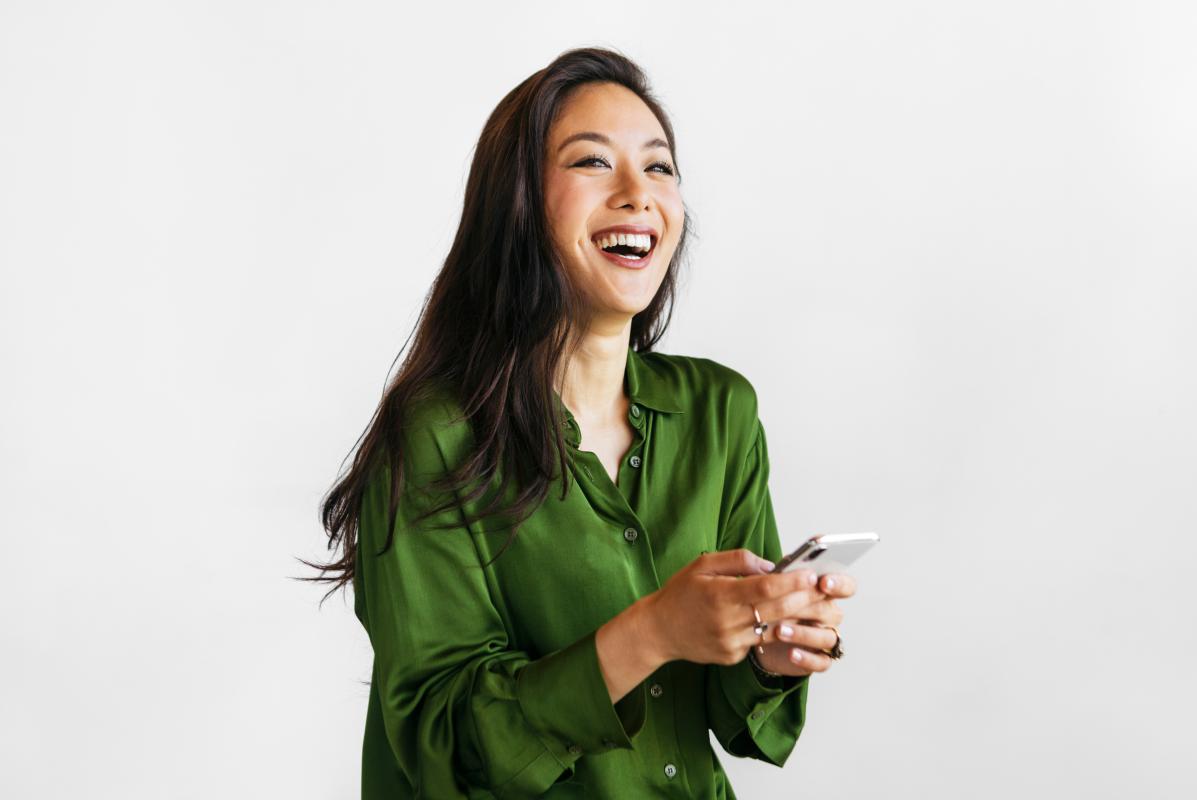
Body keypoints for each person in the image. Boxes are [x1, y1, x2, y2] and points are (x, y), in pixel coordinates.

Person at [306, 46, 859, 799]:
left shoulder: (720, 412)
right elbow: (444, 746)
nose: (638, 194)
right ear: (519, 205)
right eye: (594, 162)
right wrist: (653, 631)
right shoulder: (436, 434)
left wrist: (769, 652)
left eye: (659, 167)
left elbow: (726, 712)